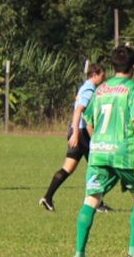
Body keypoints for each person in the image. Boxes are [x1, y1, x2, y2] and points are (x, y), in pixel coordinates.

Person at [72, 45, 134, 257]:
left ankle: (79, 256)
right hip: (125, 154)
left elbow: (89, 122)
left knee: (91, 199)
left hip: (99, 153)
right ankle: (133, 253)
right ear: (133, 66)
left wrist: (99, 142)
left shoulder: (100, 89)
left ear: (113, 66)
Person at [40, 63, 113, 213]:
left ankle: (47, 198)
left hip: (78, 132)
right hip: (81, 133)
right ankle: (97, 203)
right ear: (94, 75)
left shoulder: (87, 88)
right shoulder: (89, 89)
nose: (104, 78)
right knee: (98, 166)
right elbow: (79, 110)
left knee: (69, 167)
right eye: (102, 75)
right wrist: (76, 133)